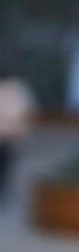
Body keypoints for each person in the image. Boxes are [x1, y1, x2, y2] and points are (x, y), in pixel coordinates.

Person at [0, 61, 36, 205]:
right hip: (11, 134)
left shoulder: (16, 88)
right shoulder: (18, 89)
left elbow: (24, 113)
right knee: (5, 166)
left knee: (5, 165)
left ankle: (3, 192)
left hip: (10, 135)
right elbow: (26, 112)